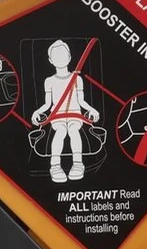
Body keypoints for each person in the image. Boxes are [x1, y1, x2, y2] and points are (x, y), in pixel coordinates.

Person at [31, 39, 99, 182]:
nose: (60, 58)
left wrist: (92, 110)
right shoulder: (49, 81)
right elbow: (47, 104)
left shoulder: (77, 79)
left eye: (63, 55)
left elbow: (81, 101)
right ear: (50, 60)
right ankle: (55, 165)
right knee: (61, 131)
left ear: (69, 57)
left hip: (75, 113)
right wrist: (37, 112)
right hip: (57, 115)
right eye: (56, 56)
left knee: (73, 130)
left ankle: (78, 163)